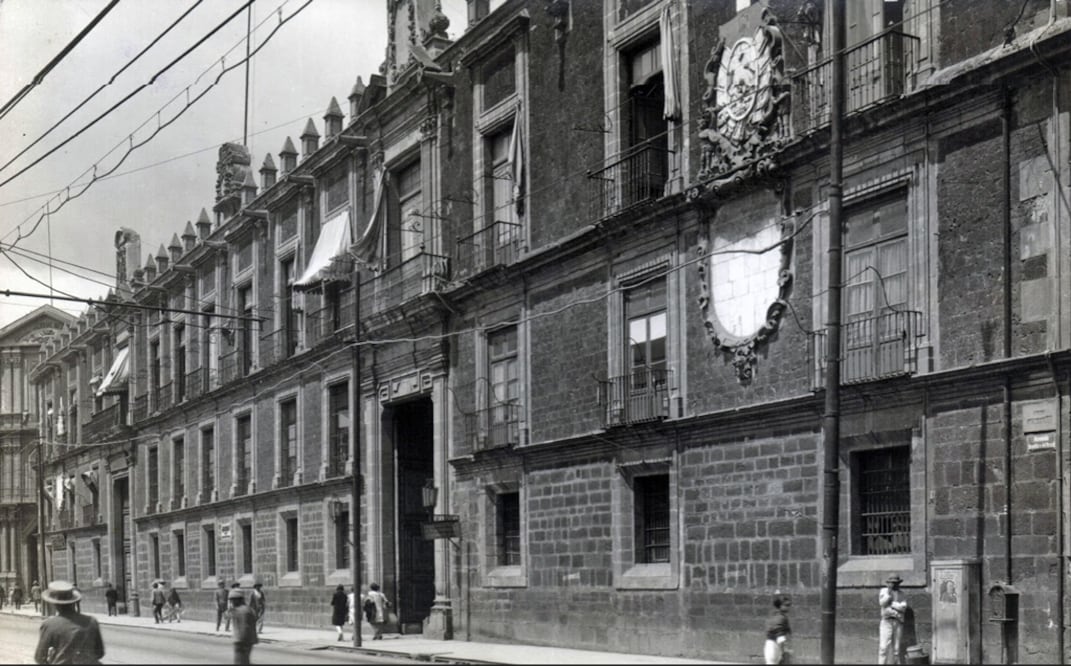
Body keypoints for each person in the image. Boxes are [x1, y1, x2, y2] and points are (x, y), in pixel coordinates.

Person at [33, 580, 105, 665]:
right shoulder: (92, 621)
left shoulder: (49, 624)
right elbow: (100, 653)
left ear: (54, 604)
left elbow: (39, 657)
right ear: (74, 601)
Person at [879, 574, 908, 664]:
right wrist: (889, 595)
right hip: (886, 622)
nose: (894, 585)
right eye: (892, 583)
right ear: (888, 583)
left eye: (896, 583)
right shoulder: (883, 591)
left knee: (896, 648)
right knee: (883, 647)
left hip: (898, 622)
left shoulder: (902, 594)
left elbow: (903, 608)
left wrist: (892, 604)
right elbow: (882, 604)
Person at [229, 588, 258, 665]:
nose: (232, 602)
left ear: (238, 600)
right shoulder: (248, 609)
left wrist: (240, 642)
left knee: (240, 662)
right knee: (244, 662)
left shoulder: (242, 611)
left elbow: (245, 627)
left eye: (233, 600)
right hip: (247, 641)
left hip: (242, 642)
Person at [763, 594, 792, 665]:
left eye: (789, 605)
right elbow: (780, 636)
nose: (789, 607)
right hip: (774, 647)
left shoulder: (774, 615)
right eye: (786, 605)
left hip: (772, 646)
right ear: (780, 606)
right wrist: (784, 652)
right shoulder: (780, 618)